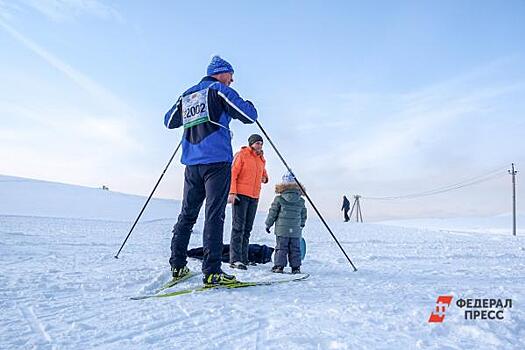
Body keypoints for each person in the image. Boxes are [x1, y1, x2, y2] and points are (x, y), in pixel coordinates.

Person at [164, 55, 258, 286]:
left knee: (187, 215)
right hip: (216, 163)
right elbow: (249, 116)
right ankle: (212, 271)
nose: (232, 80)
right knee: (214, 215)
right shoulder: (218, 90)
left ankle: (177, 266)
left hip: (192, 164)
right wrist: (251, 104)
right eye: (230, 75)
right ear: (220, 72)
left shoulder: (187, 94)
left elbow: (169, 121)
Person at [228, 134, 269, 270]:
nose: (259, 146)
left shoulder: (261, 159)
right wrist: (232, 193)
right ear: (251, 143)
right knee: (238, 227)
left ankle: (244, 258)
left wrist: (265, 178)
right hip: (241, 195)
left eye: (261, 143)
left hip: (254, 196)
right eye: (257, 143)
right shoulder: (242, 155)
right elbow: (232, 174)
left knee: (247, 229)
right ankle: (235, 259)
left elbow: (263, 174)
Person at [265, 172, 307, 274]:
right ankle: (296, 268)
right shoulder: (301, 200)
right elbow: (303, 214)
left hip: (282, 230)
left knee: (281, 248)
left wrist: (268, 224)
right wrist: (302, 224)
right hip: (295, 230)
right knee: (295, 249)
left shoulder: (279, 198)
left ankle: (279, 266)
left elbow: (273, 213)